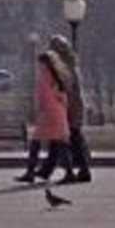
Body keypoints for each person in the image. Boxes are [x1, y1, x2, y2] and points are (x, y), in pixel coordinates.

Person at [15, 49, 75, 184]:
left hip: (49, 113)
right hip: (59, 112)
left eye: (40, 64)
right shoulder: (58, 76)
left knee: (35, 142)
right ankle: (69, 172)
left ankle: (30, 172)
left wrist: (40, 111)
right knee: (61, 143)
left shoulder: (44, 76)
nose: (38, 66)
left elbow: (44, 97)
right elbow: (63, 96)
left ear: (44, 64)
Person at [49, 34, 92, 183]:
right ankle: (83, 169)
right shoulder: (72, 65)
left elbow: (66, 89)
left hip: (68, 107)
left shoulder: (63, 67)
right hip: (74, 106)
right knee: (76, 138)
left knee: (67, 139)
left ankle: (71, 171)